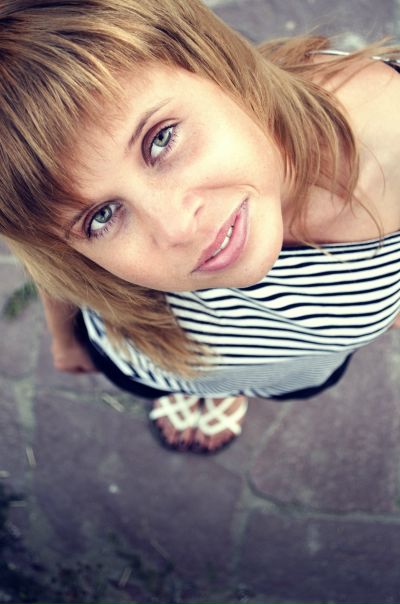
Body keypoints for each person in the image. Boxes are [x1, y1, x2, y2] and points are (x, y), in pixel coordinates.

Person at [1, 0, 400, 454]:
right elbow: (61, 269)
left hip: (293, 366)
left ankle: (231, 390)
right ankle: (199, 387)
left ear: (213, 61)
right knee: (188, 376)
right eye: (102, 216)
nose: (176, 230)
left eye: (161, 139)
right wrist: (64, 338)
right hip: (158, 361)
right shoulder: (75, 258)